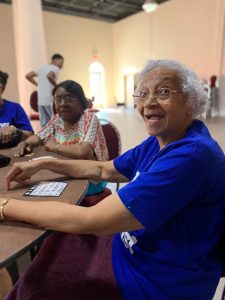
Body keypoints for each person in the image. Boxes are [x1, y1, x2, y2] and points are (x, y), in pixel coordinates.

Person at [1, 60, 225, 300]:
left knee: (34, 288)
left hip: (152, 282)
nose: (148, 102)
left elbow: (92, 220)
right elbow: (103, 169)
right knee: (50, 252)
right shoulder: (162, 139)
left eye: (163, 92)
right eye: (142, 92)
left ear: (191, 101)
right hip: (131, 251)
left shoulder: (190, 156)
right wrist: (44, 163)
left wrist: (5, 206)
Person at [15, 79, 108, 195]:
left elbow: (82, 152)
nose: (63, 103)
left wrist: (55, 146)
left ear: (81, 102)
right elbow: (38, 137)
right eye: (58, 99)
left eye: (69, 98)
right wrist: (26, 142)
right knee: (28, 187)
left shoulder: (88, 118)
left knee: (41, 194)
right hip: (67, 172)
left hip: (91, 178)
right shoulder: (57, 119)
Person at [26, 53, 64, 127]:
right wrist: (57, 86)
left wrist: (37, 84)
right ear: (56, 60)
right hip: (49, 101)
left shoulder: (41, 68)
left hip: (40, 101)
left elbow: (28, 76)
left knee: (44, 124)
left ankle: (44, 137)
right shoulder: (55, 68)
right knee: (52, 123)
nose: (62, 65)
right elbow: (49, 75)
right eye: (61, 62)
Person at [0, 70, 33, 148]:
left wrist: (16, 130)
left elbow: (30, 135)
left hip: (11, 153)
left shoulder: (15, 108)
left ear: (2, 88)